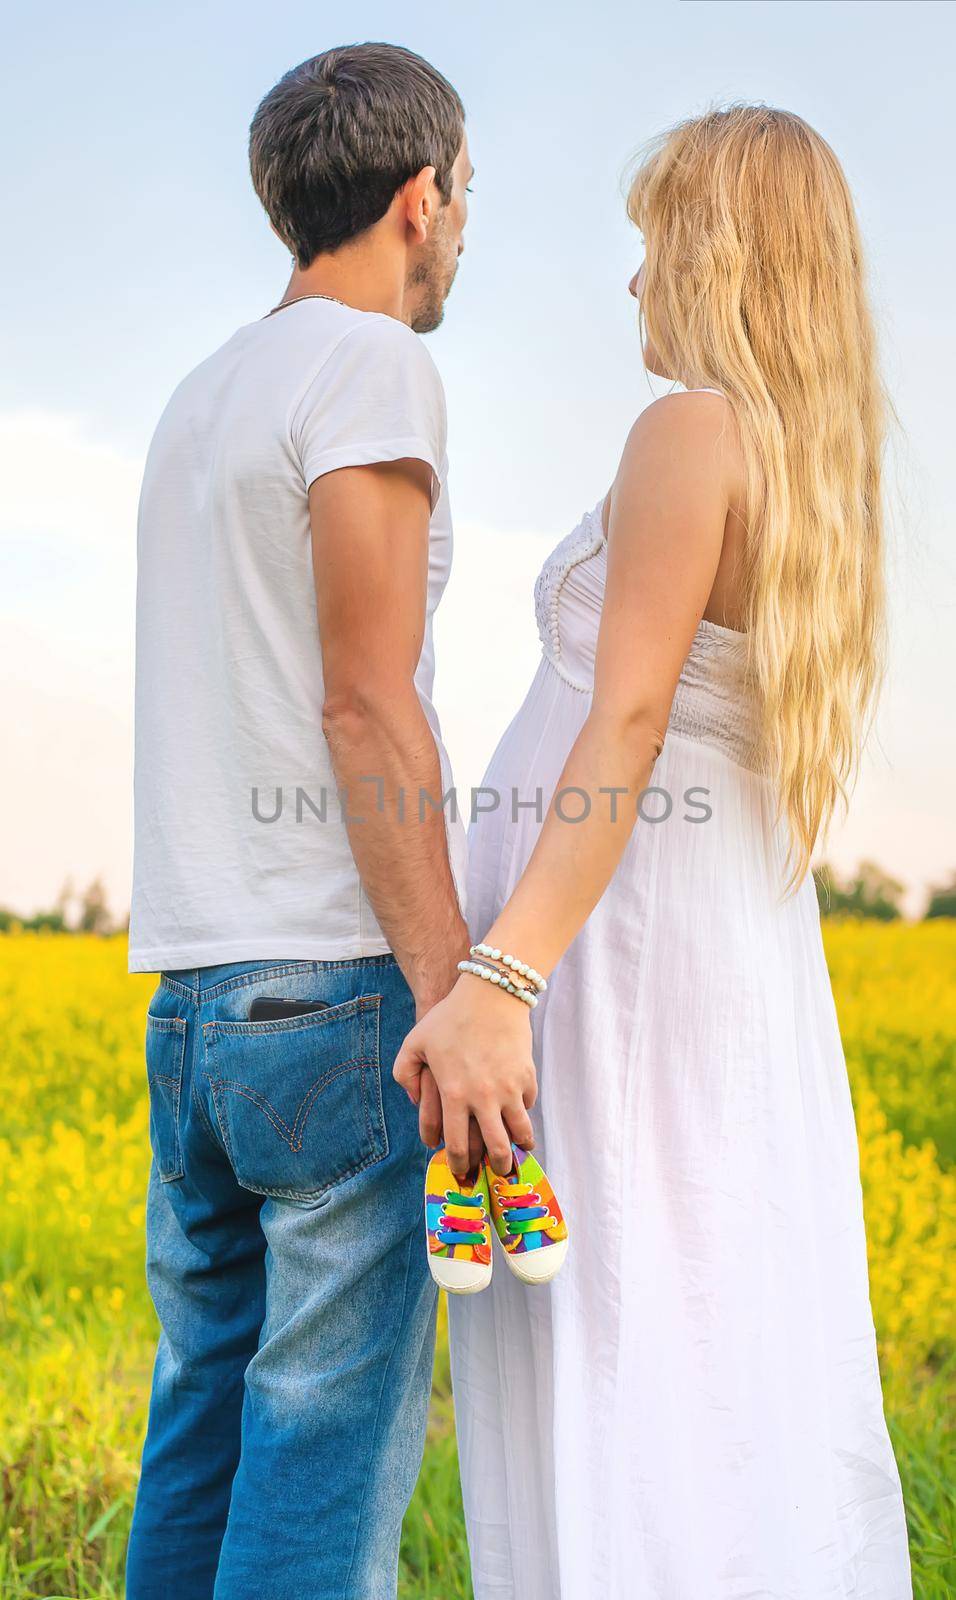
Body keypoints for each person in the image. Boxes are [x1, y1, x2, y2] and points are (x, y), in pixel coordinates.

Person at [395, 106, 913, 1598]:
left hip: (606, 958)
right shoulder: (812, 466)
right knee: (707, 1319)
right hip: (705, 941)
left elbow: (623, 725)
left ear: (720, 255)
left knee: (627, 1328)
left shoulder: (691, 428)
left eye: (651, 245)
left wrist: (500, 971)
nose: (632, 283)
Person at [124, 43, 515, 1600]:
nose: (465, 229)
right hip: (332, 995)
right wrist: (450, 992)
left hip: (195, 1007)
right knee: (319, 1465)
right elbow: (365, 699)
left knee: (202, 1431)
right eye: (466, 195)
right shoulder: (371, 364)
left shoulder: (199, 394)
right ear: (419, 199)